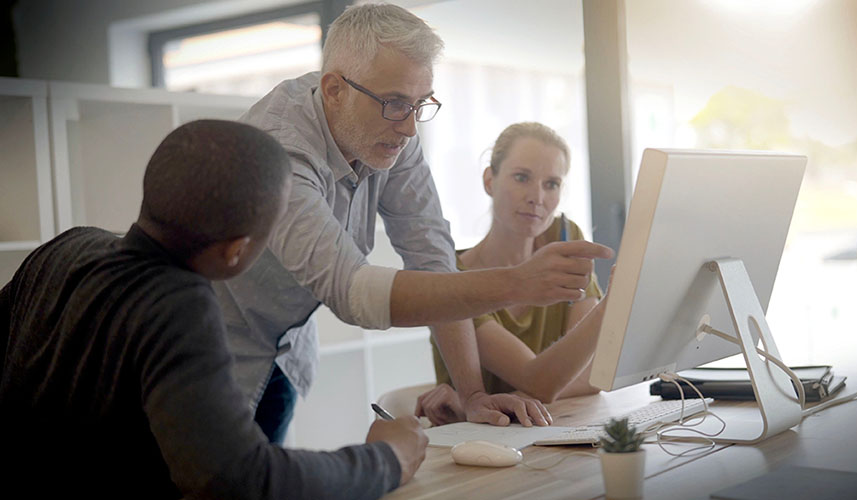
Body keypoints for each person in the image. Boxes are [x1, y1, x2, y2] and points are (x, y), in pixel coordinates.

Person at [214, 3, 614, 443]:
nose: (408, 130)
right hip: (211, 346)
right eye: (395, 104)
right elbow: (355, 292)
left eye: (420, 104)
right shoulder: (281, 153)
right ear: (333, 90)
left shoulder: (387, 129)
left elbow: (430, 256)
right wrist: (517, 282)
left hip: (285, 347)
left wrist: (474, 394)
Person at [0, 120, 427, 499]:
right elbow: (238, 479)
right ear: (236, 251)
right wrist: (385, 459)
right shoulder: (178, 304)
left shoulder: (66, 247)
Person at [416, 122, 614, 426]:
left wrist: (503, 400)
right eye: (522, 178)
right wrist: (615, 303)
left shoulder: (563, 240)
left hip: (548, 429)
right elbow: (541, 382)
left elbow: (594, 374)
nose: (537, 197)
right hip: (475, 444)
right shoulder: (453, 275)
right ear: (489, 180)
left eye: (551, 184)